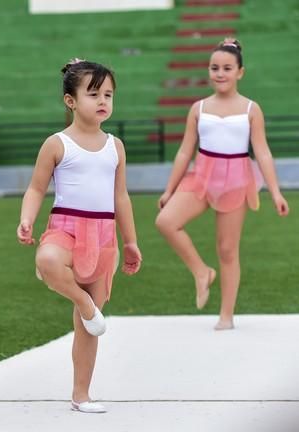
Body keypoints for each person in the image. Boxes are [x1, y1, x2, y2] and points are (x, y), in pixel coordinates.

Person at [17, 59, 142, 414]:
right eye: (93, 94)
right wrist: (27, 219)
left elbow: (121, 197)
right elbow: (36, 188)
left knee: (87, 329)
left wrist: (130, 240)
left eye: (108, 94)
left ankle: (81, 395)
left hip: (104, 237)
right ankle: (84, 304)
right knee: (47, 261)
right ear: (70, 101)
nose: (103, 100)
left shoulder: (115, 146)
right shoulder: (57, 144)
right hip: (66, 228)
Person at [155, 38, 290, 331]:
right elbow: (184, 151)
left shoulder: (251, 109)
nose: (220, 73)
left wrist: (276, 192)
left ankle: (226, 315)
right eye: (214, 67)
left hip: (236, 179)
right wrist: (169, 189)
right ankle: (202, 272)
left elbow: (262, 152)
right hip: (202, 175)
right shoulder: (198, 108)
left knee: (228, 250)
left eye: (227, 68)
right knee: (166, 221)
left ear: (240, 72)